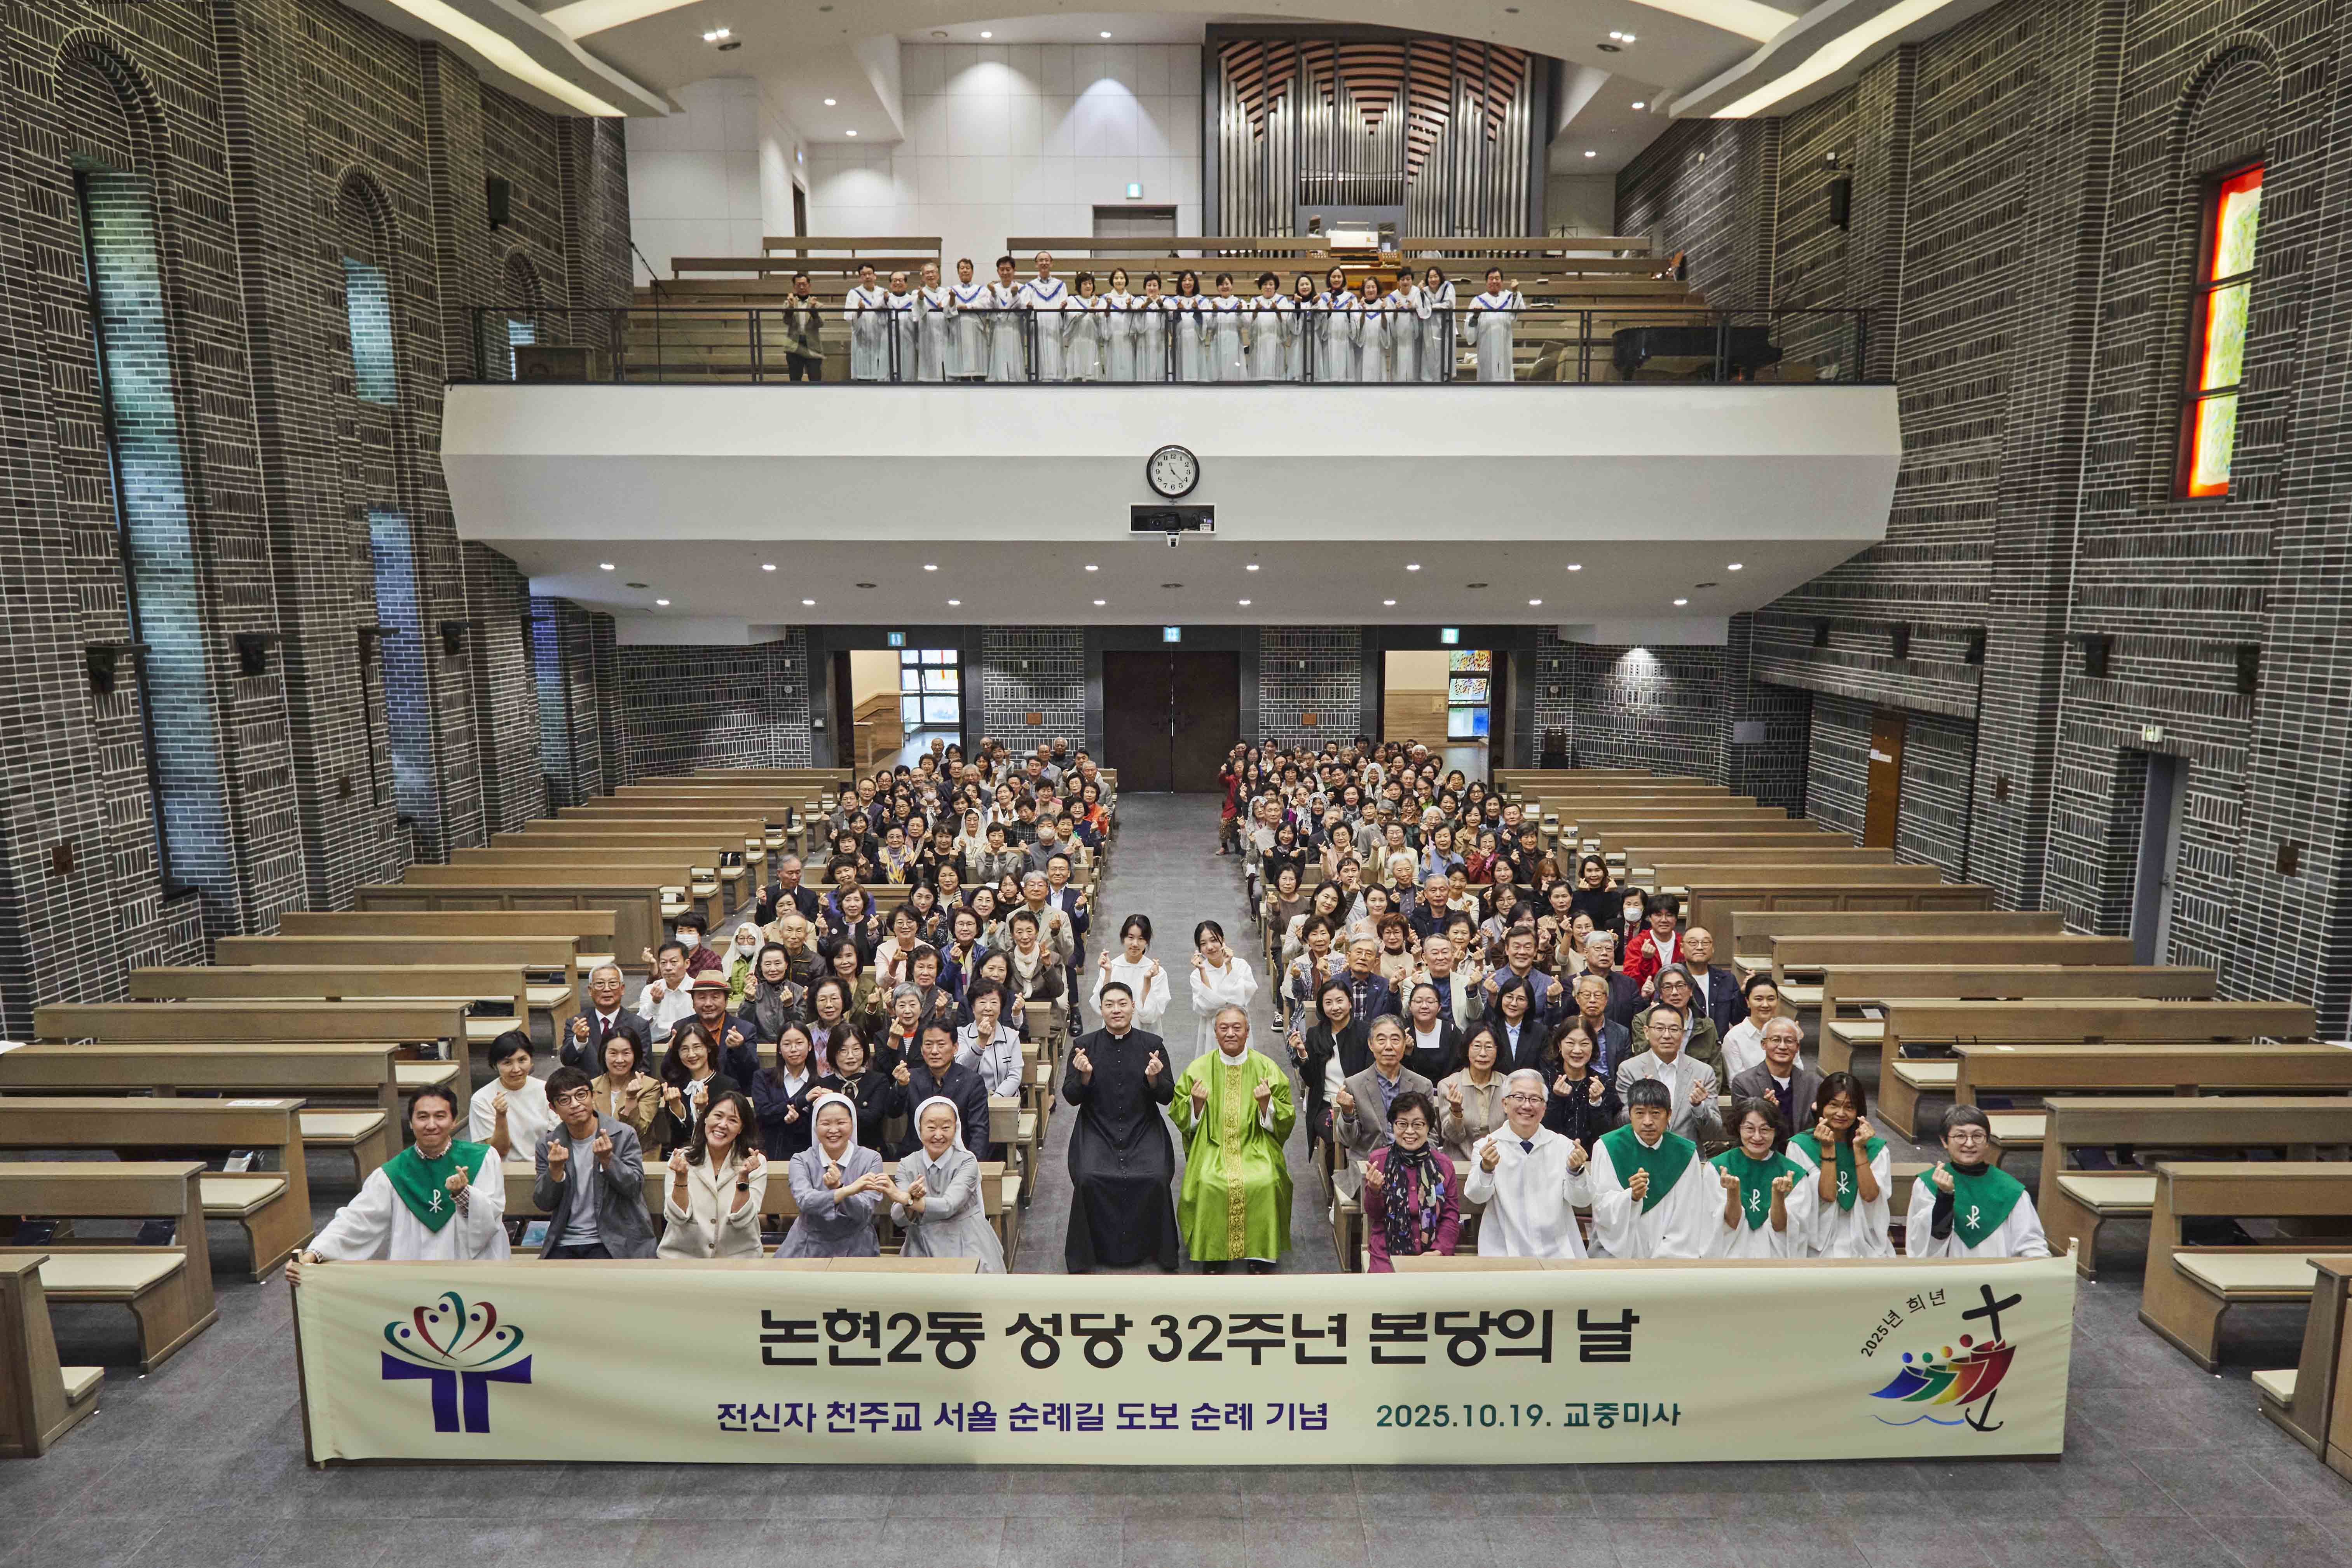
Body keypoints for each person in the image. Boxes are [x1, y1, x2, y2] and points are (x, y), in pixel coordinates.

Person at [286, 1087, 508, 1279]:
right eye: (422, 1117)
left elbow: (492, 1219)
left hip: (473, 1272)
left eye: (440, 1116)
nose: (431, 1125)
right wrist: (314, 1253)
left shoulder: (483, 1159)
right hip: (417, 1274)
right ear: (411, 1123)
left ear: (454, 1121)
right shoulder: (393, 1174)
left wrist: (464, 1195)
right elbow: (357, 1219)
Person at [1061, 981, 1180, 1272]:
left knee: (1156, 1176)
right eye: (1110, 1005)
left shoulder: (1152, 1045)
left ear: (1133, 1007)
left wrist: (1154, 1079)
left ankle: (1158, 1250)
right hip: (1097, 1128)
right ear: (1101, 1010)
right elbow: (1071, 1097)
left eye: (1123, 1004)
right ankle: (1088, 1254)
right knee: (1088, 1177)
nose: (1117, 1010)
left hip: (1143, 1128)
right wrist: (1084, 1077)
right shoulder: (1083, 1046)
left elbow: (1167, 1096)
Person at [1170, 1005, 1293, 1274]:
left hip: (1256, 1145)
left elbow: (1287, 1117)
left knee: (1265, 1180)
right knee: (1209, 1181)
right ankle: (1214, 1253)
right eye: (1224, 1028)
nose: (1230, 1033)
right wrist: (1196, 1105)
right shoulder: (1198, 1069)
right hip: (1212, 1147)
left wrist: (1267, 1105)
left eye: (1237, 1028)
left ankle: (1261, 1253)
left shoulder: (1267, 1068)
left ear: (1248, 1031)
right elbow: (1180, 1115)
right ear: (1215, 1033)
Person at [533, 1066, 658, 1259]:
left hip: (613, 1239)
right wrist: (555, 1171)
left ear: (592, 1096)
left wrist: (608, 1160)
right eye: (565, 1100)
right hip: (565, 1241)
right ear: (553, 1108)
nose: (575, 1104)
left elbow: (634, 1188)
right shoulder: (548, 1145)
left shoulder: (623, 1134)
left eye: (581, 1095)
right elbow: (544, 1203)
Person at [1584, 1078, 1717, 1259]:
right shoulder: (1607, 1147)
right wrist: (1631, 1198)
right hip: (1617, 1253)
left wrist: (1663, 1260)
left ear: (1669, 1115)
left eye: (1656, 1113)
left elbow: (1688, 1216)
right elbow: (1602, 1208)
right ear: (1630, 1114)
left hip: (1670, 1256)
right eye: (1640, 1113)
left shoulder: (1685, 1154)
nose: (1648, 1122)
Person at [1462, 1069, 1588, 1259]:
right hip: (1504, 1250)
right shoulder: (1486, 1146)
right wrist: (1486, 1169)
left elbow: (1582, 1201)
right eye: (1519, 1098)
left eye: (1535, 1099)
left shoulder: (1564, 1146)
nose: (1527, 1106)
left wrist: (1576, 1171)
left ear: (1544, 1107)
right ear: (1505, 1104)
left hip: (1559, 1251)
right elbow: (1476, 1197)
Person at [1906, 1105, 2050, 1259]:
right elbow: (1925, 1243)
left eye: (1977, 1136)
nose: (1969, 1144)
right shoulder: (1928, 1184)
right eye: (1960, 1136)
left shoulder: (2011, 1190)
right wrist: (1945, 1197)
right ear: (1945, 1141)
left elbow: (2031, 1244)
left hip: (1998, 1272)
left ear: (1987, 1141)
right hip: (1946, 1272)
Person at [888, 1096, 1006, 1272]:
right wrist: (907, 1203)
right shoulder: (907, 1164)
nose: (938, 1135)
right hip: (922, 1243)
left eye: (946, 1128)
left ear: (956, 1129)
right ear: (920, 1129)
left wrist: (909, 1201)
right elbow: (898, 1218)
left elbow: (949, 1206)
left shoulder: (967, 1162)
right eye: (931, 1128)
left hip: (966, 1239)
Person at [1788, 1072, 1892, 1258]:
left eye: (1849, 1107)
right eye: (1834, 1105)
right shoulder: (1800, 1147)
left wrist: (1859, 1150)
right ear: (1821, 1106)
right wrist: (1828, 1149)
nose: (1841, 1114)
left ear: (1859, 1112)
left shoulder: (1876, 1149)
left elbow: (1870, 1196)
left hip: (1864, 1239)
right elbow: (1828, 1195)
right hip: (1816, 1243)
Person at [658, 1088, 768, 1260]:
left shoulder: (755, 1162)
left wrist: (743, 1180)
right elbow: (677, 1217)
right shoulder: (681, 1158)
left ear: (741, 1129)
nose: (723, 1125)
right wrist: (681, 1178)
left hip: (738, 1259)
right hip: (684, 1257)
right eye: (718, 1116)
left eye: (733, 1120)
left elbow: (742, 1220)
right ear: (705, 1118)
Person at [1331, 1015, 1434, 1199]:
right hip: (1369, 1166)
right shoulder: (1354, 1085)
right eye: (1381, 1040)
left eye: (1395, 1040)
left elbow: (1431, 1135)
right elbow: (1348, 1140)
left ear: (1405, 1044)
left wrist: (1422, 1162)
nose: (1388, 1047)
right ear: (1371, 1045)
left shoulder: (1422, 1085)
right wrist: (1347, 1113)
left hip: (1414, 1165)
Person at [778, 1094, 886, 1259]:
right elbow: (805, 1201)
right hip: (808, 1245)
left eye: (841, 1123)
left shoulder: (871, 1159)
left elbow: (865, 1211)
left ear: (853, 1125)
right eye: (826, 1124)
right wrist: (844, 1191)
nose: (834, 1130)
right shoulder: (801, 1160)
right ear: (815, 1127)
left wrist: (838, 1188)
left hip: (856, 1245)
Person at [1361, 1090, 1460, 1270]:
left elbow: (1450, 1216)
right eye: (1402, 1124)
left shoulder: (1444, 1166)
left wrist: (1440, 1251)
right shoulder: (1379, 1161)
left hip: (1433, 1252)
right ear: (1393, 1126)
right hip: (1387, 1253)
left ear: (1428, 1127)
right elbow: (1374, 1215)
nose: (1409, 1131)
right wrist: (1374, 1191)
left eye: (1418, 1125)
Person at [1614, 1000, 1723, 1149]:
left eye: (1674, 1029)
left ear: (1683, 1034)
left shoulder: (1703, 1072)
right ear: (1646, 1032)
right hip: (1643, 1154)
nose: (1667, 1035)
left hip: (1688, 1155)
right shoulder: (1629, 1070)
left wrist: (1699, 1107)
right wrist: (1641, 1100)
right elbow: (1622, 1123)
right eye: (1659, 1028)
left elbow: (1714, 1132)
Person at [1709, 1099, 1806, 1259]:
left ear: (1776, 1131)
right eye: (1749, 1129)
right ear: (1738, 1128)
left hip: (1775, 1262)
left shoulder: (1793, 1174)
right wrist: (1733, 1193)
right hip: (1732, 1261)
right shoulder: (1718, 1168)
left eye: (1765, 1130)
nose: (1757, 1137)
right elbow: (1728, 1225)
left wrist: (1778, 1196)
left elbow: (1782, 1228)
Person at [892, 1019, 991, 1160]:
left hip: (958, 1158)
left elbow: (979, 1131)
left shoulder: (972, 1081)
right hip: (917, 1158)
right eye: (928, 1045)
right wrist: (901, 1086)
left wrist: (972, 1164)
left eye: (941, 1045)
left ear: (955, 1048)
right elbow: (894, 1112)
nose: (934, 1051)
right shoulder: (911, 1078)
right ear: (922, 1049)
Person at [1185, 919, 1258, 1074]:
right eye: (1203, 944)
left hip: (1238, 1028)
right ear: (1199, 949)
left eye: (1214, 940)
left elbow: (1239, 1001)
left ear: (1223, 940)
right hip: (1212, 1031)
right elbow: (1205, 1007)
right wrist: (1203, 971)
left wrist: (1229, 965)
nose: (1210, 947)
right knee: (1213, 1073)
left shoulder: (1241, 965)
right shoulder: (1197, 974)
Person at [1729, 1015, 1820, 1138]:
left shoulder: (1814, 1083)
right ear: (1763, 1044)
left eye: (1789, 1041)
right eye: (1776, 1040)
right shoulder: (1744, 1083)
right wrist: (1765, 1112)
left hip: (1802, 1148)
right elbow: (1740, 1129)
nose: (1783, 1047)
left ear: (1798, 1047)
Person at [470, 1029, 553, 1160]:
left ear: (531, 1060)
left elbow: (558, 1138)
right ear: (495, 1066)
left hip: (545, 1162)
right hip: (505, 1167)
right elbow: (498, 1152)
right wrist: (501, 1116)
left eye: (522, 1060)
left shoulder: (546, 1089)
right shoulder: (481, 1099)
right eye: (507, 1063)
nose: (516, 1069)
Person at [752, 1020, 828, 1161]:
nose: (794, 1049)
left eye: (799, 1043)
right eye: (787, 1044)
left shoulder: (820, 1085)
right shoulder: (763, 1077)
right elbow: (763, 1113)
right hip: (768, 1157)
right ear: (779, 1049)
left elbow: (818, 1129)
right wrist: (801, 1101)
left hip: (806, 1159)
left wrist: (797, 1121)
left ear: (810, 1046)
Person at [1435, 1021, 1506, 1167]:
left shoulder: (1508, 1085)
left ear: (1497, 1050)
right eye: (1477, 1046)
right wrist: (1456, 1111)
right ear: (1467, 1050)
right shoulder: (1449, 1085)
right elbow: (1453, 1137)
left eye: (1489, 1047)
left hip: (1500, 1162)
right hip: (1459, 1164)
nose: (1483, 1053)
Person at [1543, 1021, 1620, 1151]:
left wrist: (1596, 1103)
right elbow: (1542, 1131)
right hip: (1552, 1157)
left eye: (1584, 1044)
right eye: (1570, 1043)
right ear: (1559, 1045)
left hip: (1592, 1158)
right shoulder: (1545, 1080)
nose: (1577, 1050)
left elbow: (1607, 1136)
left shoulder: (1604, 1083)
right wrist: (1556, 1099)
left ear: (1593, 1046)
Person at [1092, 913, 1171, 1033]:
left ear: (1147, 941)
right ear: (1123, 938)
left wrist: (1147, 981)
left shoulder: (1157, 972)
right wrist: (1108, 973)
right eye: (1131, 938)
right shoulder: (1111, 967)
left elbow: (1150, 1016)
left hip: (1146, 1035)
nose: (1135, 944)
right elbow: (1100, 1008)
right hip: (1114, 1035)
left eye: (1141, 939)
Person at [565, 962, 649, 1071]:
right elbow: (566, 1060)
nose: (607, 989)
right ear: (590, 990)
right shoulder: (577, 1023)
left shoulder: (639, 1025)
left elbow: (643, 1068)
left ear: (622, 989)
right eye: (600, 984)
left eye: (613, 983)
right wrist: (579, 1040)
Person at [953, 981, 1024, 1099]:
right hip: (970, 1101)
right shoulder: (961, 1034)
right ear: (973, 1008)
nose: (988, 1008)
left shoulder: (1012, 1036)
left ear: (1001, 1008)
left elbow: (1015, 1076)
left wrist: (996, 1099)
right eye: (982, 1002)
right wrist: (981, 1041)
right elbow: (962, 1069)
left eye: (994, 1003)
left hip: (1005, 1101)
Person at [591, 1033, 661, 1148]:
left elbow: (639, 1132)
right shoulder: (592, 1086)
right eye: (613, 1053)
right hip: (598, 1151)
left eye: (626, 1053)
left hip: (638, 1152)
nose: (620, 1060)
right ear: (604, 1055)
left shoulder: (650, 1086)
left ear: (635, 1056)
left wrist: (631, 1099)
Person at [1720, 974, 1784, 1081]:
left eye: (1771, 999)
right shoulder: (1734, 1037)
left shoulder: (1786, 1031)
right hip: (1750, 1092)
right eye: (1759, 999)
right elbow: (1737, 1082)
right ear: (1748, 1002)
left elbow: (1797, 1071)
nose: (1765, 1005)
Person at [1462, 267, 1520, 382]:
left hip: (1504, 348)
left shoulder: (1508, 298)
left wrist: (1515, 292)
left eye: (1497, 278)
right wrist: (1476, 316)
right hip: (1486, 349)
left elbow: (1515, 314)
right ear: (1486, 282)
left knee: (1505, 379)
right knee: (1487, 380)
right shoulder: (1478, 301)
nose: (1494, 281)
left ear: (1502, 282)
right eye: (1491, 278)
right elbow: (1470, 332)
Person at [635, 941, 697, 1042]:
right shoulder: (650, 989)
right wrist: (655, 1003)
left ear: (687, 963)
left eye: (674, 962)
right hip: (657, 1044)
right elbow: (641, 1024)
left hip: (690, 1042)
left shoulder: (696, 989)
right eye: (664, 963)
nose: (668, 968)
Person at [1401, 981, 1459, 1081]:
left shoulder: (1450, 1030)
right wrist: (1406, 1053)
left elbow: (1459, 1065)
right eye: (1418, 1002)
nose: (1424, 1006)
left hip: (1446, 1087)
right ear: (1410, 1006)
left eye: (1431, 1002)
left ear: (1439, 1007)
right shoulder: (1403, 1031)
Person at [946, 256, 992, 380]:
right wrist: (952, 299)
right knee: (963, 363)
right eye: (962, 268)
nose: (965, 270)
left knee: (979, 361)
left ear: (973, 271)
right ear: (958, 272)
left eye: (968, 268)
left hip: (977, 329)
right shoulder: (952, 290)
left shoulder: (982, 290)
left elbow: (986, 304)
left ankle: (979, 383)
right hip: (959, 329)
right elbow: (948, 309)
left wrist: (967, 306)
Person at [846, 263, 889, 381]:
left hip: (880, 335)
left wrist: (886, 301)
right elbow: (849, 317)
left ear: (875, 276)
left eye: (870, 274)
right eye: (864, 275)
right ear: (860, 278)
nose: (867, 277)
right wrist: (859, 312)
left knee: (881, 371)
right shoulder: (854, 293)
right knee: (863, 372)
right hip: (862, 337)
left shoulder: (883, 292)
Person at [778, 271, 824, 382]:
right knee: (795, 380)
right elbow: (786, 322)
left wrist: (814, 311)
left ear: (809, 286)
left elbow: (820, 324)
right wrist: (790, 308)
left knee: (815, 379)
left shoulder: (818, 304)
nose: (802, 287)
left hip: (813, 346)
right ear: (794, 287)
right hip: (794, 346)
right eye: (799, 285)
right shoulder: (788, 303)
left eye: (804, 284)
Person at [986, 254, 1026, 381]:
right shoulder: (993, 288)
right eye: (1002, 270)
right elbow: (989, 309)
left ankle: (1016, 381)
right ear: (998, 271)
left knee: (1015, 356)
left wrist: (1015, 296)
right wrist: (993, 294)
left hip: (1015, 328)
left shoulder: (1022, 288)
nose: (1005, 273)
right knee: (999, 355)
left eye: (1008, 270)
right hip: (998, 328)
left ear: (1014, 271)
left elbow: (1024, 308)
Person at [1244, 272, 1288, 380]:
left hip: (1276, 342)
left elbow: (1286, 322)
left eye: (1271, 284)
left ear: (1275, 286)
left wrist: (1277, 311)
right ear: (1261, 287)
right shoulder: (1256, 301)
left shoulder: (1282, 300)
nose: (1268, 287)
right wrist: (1255, 312)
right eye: (1265, 284)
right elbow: (1250, 323)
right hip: (1259, 342)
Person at [915, 260, 952, 382]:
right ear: (923, 277)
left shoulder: (947, 293)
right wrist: (920, 299)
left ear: (938, 275)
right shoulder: (917, 293)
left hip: (945, 334)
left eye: (933, 272)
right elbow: (918, 313)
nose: (930, 275)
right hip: (928, 334)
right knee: (929, 370)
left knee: (947, 368)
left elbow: (951, 312)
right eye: (927, 273)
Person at [1419, 263, 1455, 382]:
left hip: (1445, 325)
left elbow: (1449, 304)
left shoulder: (1448, 287)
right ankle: (1431, 380)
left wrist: (1432, 307)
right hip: (1430, 325)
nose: (1433, 280)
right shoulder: (1424, 291)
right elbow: (1419, 306)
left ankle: (1445, 378)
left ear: (1440, 277)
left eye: (1436, 276)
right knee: (1430, 352)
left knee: (1444, 351)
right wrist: (1419, 291)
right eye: (1430, 277)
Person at [1207, 273, 1246, 380]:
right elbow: (1210, 326)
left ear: (1232, 286)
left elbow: (1244, 325)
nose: (1224, 287)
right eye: (1221, 284)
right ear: (1217, 288)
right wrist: (1214, 313)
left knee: (1234, 371)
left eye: (1227, 284)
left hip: (1235, 341)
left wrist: (1239, 313)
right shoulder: (1213, 303)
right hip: (1217, 342)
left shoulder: (1239, 303)